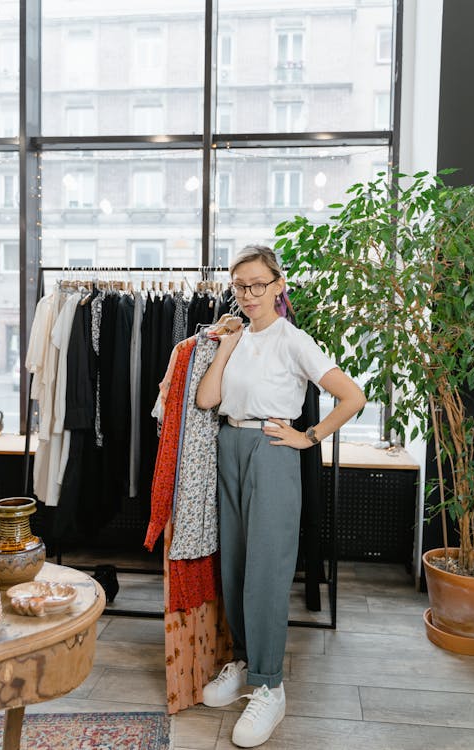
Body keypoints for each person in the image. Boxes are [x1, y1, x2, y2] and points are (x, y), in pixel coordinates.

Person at [196, 245, 366, 748]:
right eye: (239, 286)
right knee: (235, 566)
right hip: (229, 443)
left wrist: (308, 437)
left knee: (267, 569)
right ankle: (247, 662)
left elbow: (353, 396)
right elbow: (208, 399)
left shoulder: (295, 341)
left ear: (278, 285)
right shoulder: (236, 335)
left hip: (272, 448)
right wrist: (225, 344)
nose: (247, 295)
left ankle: (270, 685)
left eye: (256, 285)